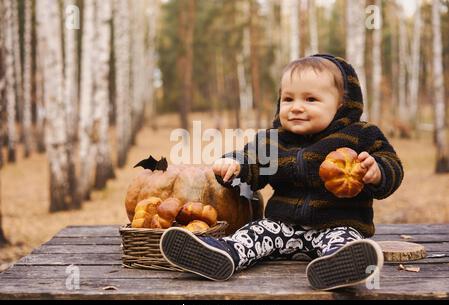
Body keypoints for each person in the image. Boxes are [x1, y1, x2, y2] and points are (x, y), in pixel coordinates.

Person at [160, 54, 404, 290]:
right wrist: (233, 165)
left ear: (340, 105)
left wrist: (378, 171)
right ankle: (221, 254)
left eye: (310, 99)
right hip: (282, 227)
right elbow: (251, 159)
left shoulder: (360, 135)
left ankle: (341, 266)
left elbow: (392, 163)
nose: (296, 108)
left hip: (337, 225)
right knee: (254, 232)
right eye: (288, 99)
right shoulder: (272, 141)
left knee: (345, 241)